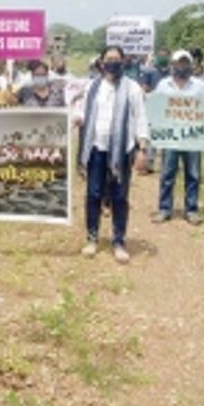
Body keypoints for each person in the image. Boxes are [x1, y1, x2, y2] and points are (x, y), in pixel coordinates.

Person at [75, 46, 149, 264]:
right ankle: (92, 238)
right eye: (109, 59)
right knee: (93, 194)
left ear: (123, 61)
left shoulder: (132, 88)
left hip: (122, 150)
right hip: (96, 148)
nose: (112, 63)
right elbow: (82, 111)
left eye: (117, 59)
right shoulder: (92, 86)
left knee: (119, 197)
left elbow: (141, 118)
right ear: (101, 62)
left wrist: (142, 149)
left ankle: (118, 241)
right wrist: (77, 118)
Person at [151, 50, 204, 225]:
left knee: (193, 174)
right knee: (167, 174)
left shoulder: (200, 86)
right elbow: (156, 108)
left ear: (190, 65)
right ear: (172, 65)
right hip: (170, 136)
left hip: (193, 136)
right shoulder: (163, 85)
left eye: (185, 63)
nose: (181, 66)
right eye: (178, 63)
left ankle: (191, 210)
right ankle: (164, 209)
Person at [139, 48, 171, 173]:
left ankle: (166, 164)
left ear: (169, 57)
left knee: (167, 135)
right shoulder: (149, 71)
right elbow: (144, 88)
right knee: (152, 135)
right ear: (157, 57)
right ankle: (149, 163)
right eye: (160, 55)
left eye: (165, 55)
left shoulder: (172, 72)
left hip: (168, 108)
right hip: (153, 106)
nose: (163, 57)